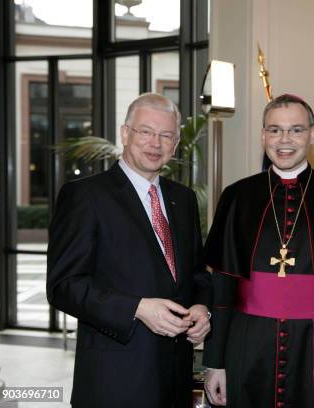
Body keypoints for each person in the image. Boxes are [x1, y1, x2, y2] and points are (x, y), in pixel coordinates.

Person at [203, 94, 314, 407]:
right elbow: (223, 288)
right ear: (263, 136)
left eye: (296, 130)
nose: (284, 140)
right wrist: (215, 361)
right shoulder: (237, 197)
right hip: (249, 344)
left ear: (313, 135)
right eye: (274, 130)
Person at [47, 93, 212, 408]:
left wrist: (203, 309)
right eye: (146, 131)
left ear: (176, 144)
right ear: (125, 134)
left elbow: (195, 274)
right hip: (114, 381)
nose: (155, 143)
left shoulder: (183, 199)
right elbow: (63, 286)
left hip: (175, 380)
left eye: (166, 135)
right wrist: (136, 308)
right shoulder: (85, 196)